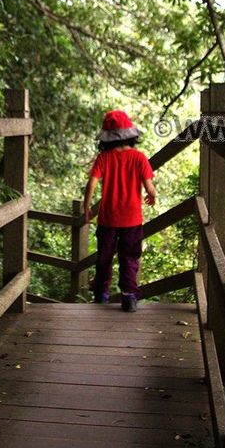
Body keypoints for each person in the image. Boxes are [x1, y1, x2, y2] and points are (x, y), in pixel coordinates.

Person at [82, 109, 157, 312]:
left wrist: (87, 205)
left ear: (106, 138)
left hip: (107, 219)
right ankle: (129, 297)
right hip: (132, 219)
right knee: (129, 257)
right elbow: (150, 187)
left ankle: (101, 295)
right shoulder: (139, 158)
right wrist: (152, 195)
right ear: (130, 135)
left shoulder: (103, 158)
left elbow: (91, 184)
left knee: (104, 256)